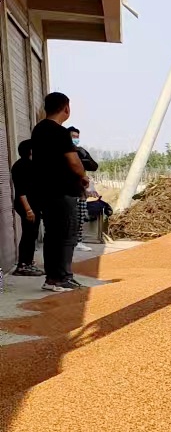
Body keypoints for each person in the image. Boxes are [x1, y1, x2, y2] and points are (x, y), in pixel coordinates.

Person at [31, 92, 90, 292]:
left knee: (53, 235)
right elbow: (74, 162)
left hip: (45, 191)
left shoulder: (38, 130)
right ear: (66, 108)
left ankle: (52, 278)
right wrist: (84, 177)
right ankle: (62, 277)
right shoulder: (59, 132)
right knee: (66, 235)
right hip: (62, 192)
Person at [10, 138, 42, 277]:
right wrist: (28, 210)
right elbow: (21, 191)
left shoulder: (29, 164)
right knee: (28, 234)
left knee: (32, 234)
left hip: (33, 205)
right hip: (27, 206)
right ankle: (23, 265)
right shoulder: (21, 166)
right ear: (30, 150)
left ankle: (28, 262)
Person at [66, 126, 98, 250]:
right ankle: (71, 241)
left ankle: (78, 241)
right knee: (70, 219)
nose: (75, 139)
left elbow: (94, 166)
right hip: (68, 191)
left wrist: (84, 158)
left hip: (80, 190)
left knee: (80, 217)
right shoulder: (63, 152)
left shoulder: (80, 151)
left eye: (77, 137)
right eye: (73, 137)